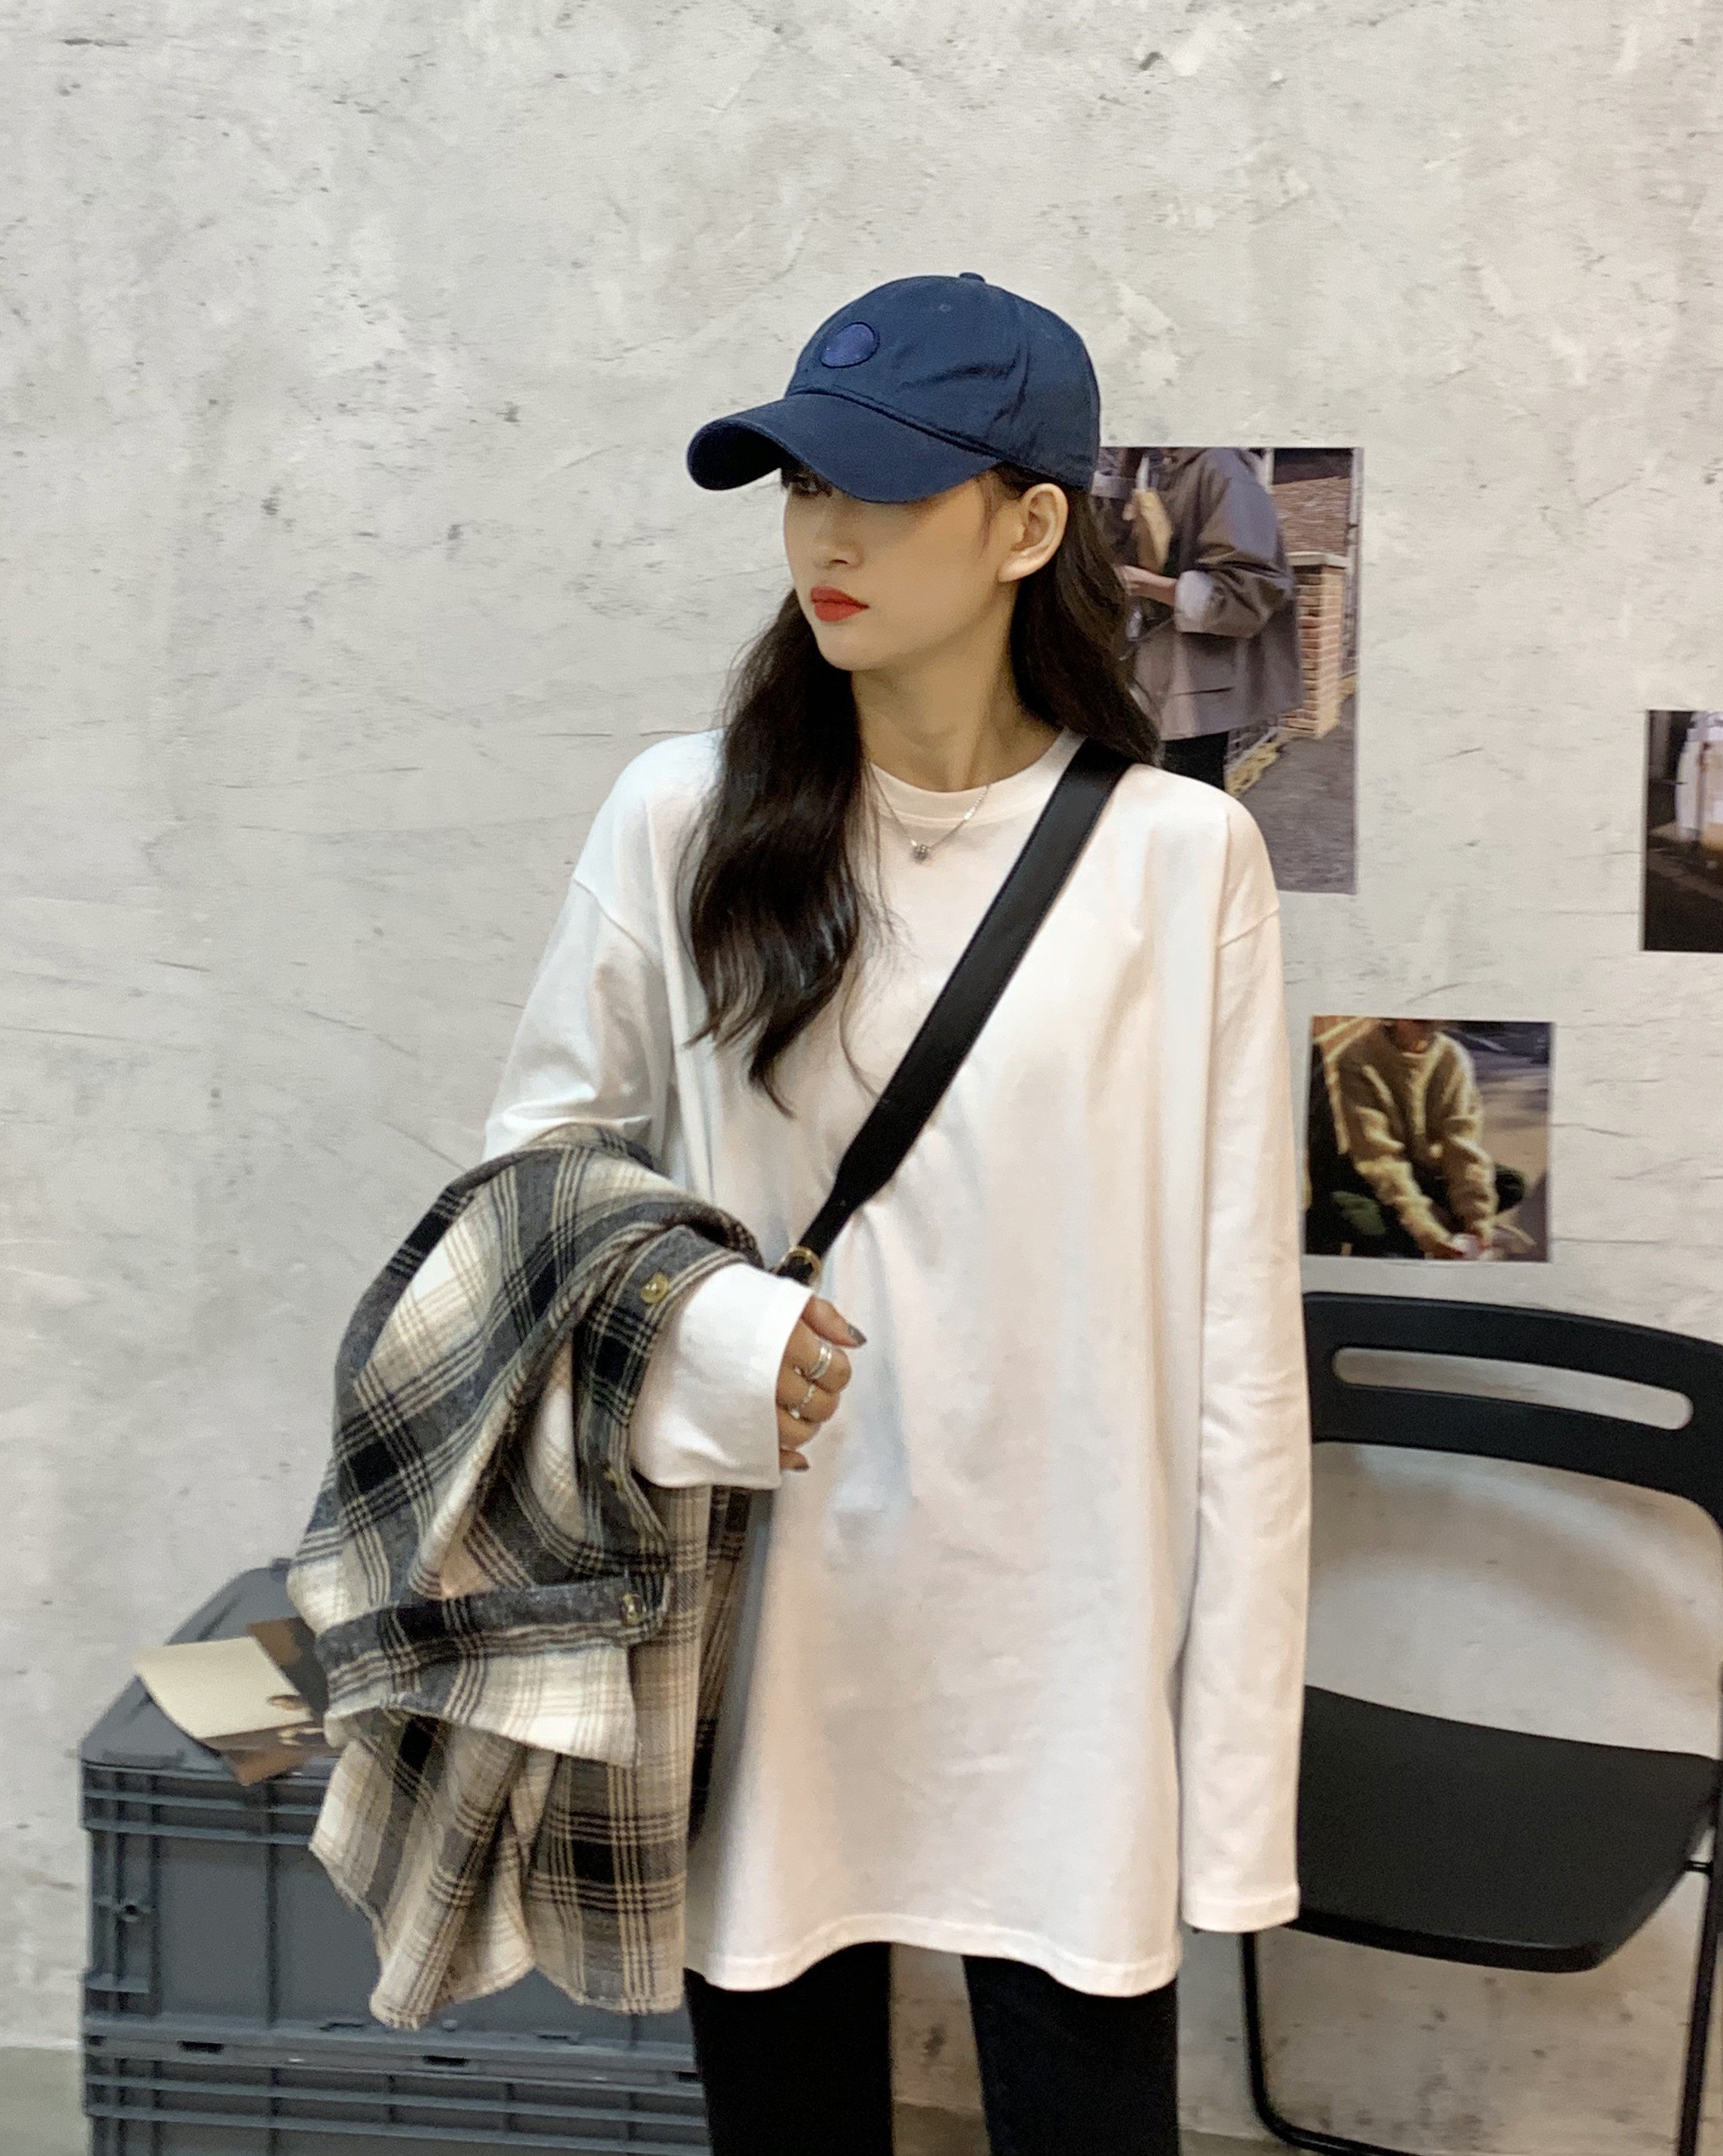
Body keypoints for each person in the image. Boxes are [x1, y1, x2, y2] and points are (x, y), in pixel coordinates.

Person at [478, 274, 1312, 2156]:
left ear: (1028, 526)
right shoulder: (685, 819)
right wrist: (708, 1335)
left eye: (882, 488)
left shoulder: (1183, 860)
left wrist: (1234, 1775)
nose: (823, 538)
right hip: (771, 1617)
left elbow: (1239, 1345)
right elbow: (532, 1181)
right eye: (798, 485)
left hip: (1065, 1641)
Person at [1116, 447, 1304, 791]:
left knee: (1188, 809)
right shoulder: (1165, 469)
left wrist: (1142, 584)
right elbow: (1107, 545)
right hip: (1159, 685)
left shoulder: (1222, 468)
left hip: (1194, 697)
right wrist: (1124, 472)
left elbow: (1249, 593)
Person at [1305, 1020, 1525, 1261]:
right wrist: (1425, 1230)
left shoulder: (1453, 1057)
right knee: (1342, 1209)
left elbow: (1462, 1146)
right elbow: (1380, 1157)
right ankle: (1425, 1234)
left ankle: (1423, 1233)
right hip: (1379, 1178)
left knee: (1511, 1183)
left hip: (1429, 1172)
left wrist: (1477, 1218)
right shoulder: (1358, 1058)